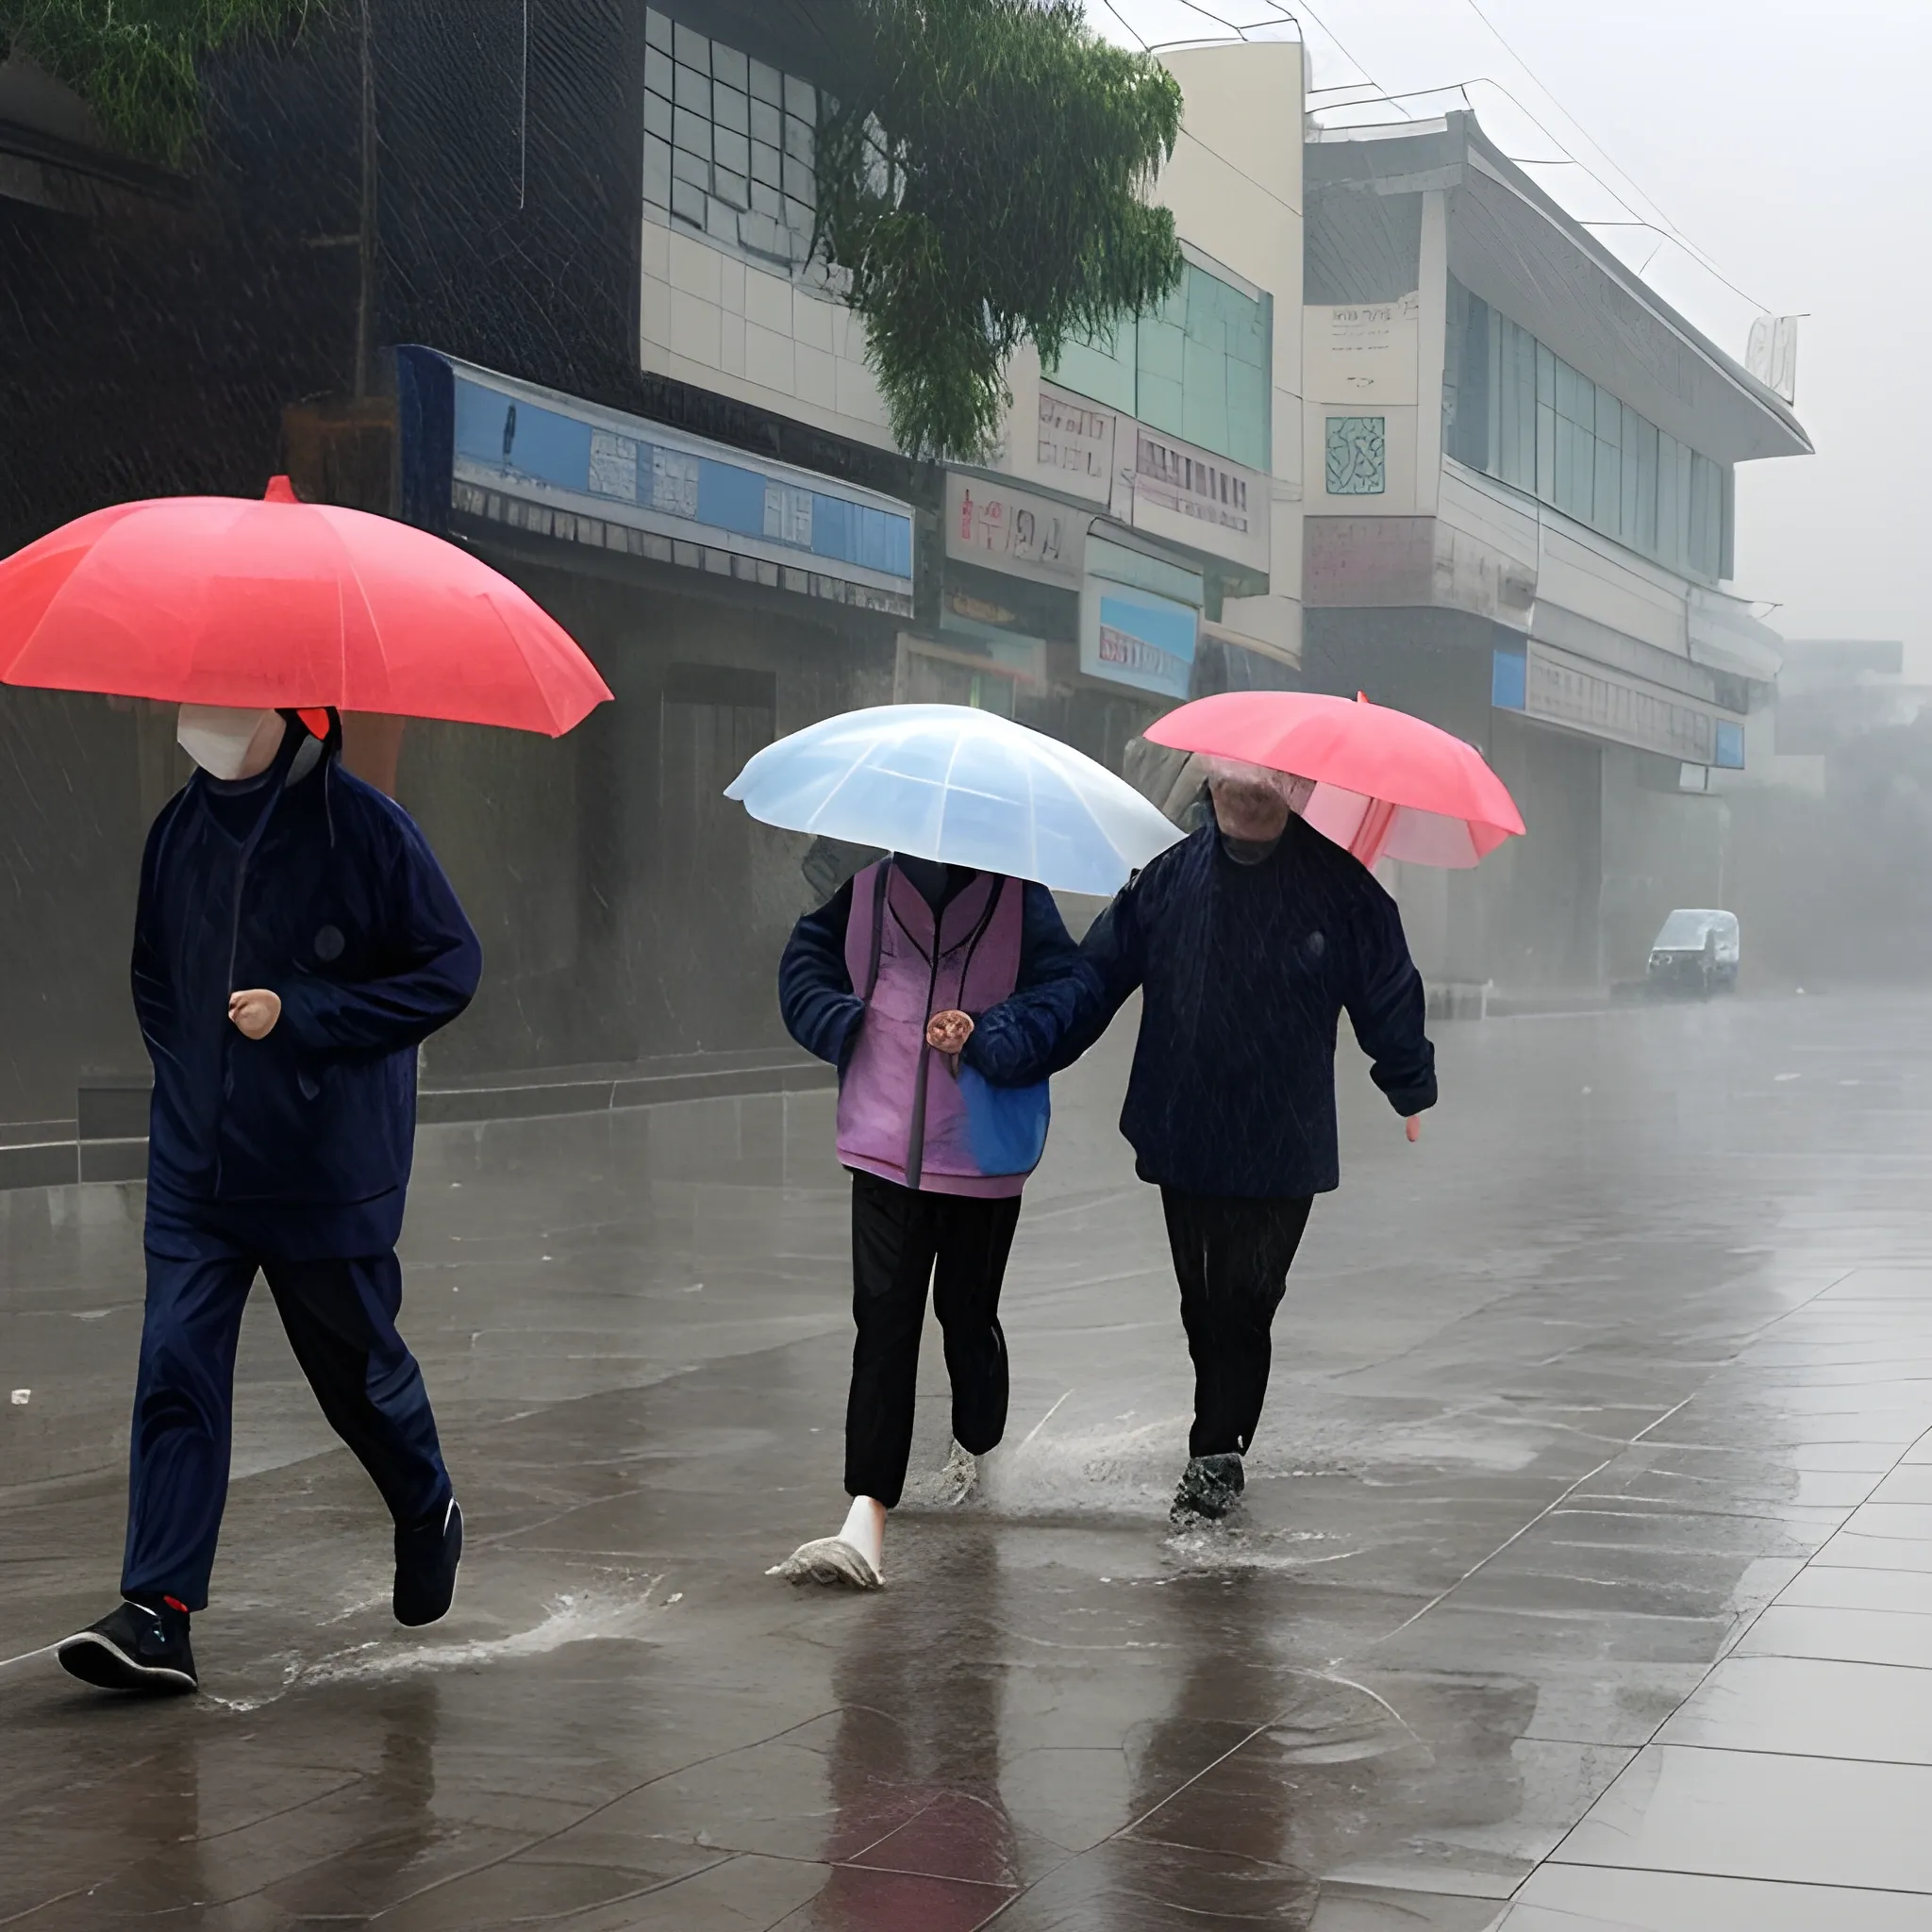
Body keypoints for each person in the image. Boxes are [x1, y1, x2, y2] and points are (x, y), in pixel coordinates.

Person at [57, 703, 482, 1695]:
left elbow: (448, 969)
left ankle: (426, 1503)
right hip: (198, 1170)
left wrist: (306, 1014)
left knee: (355, 1376)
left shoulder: (366, 828)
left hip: (323, 1169)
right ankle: (158, 1612)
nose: (194, 714)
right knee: (175, 1366)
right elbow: (155, 979)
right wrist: (190, 1089)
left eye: (221, 694)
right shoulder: (177, 828)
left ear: (289, 708)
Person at [948, 757, 1437, 1525]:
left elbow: (1388, 994)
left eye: (1267, 778)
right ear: (1210, 784)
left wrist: (1410, 1083)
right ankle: (1219, 1436)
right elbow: (1090, 984)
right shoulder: (1166, 880)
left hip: (1283, 1135)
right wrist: (1001, 1040)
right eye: (1233, 776)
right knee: (1203, 1302)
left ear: (1300, 790)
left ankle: (1215, 1452)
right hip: (1186, 1123)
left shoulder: (1345, 892)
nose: (1247, 788)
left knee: (1249, 1300)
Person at [770, 852, 1082, 1589]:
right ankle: (866, 1510)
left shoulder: (1020, 901)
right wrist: (840, 1021)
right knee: (884, 1320)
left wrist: (987, 1033)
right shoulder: (867, 891)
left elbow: (1066, 993)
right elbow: (804, 963)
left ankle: (978, 1443)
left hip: (980, 1156)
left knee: (967, 1316)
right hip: (882, 1148)